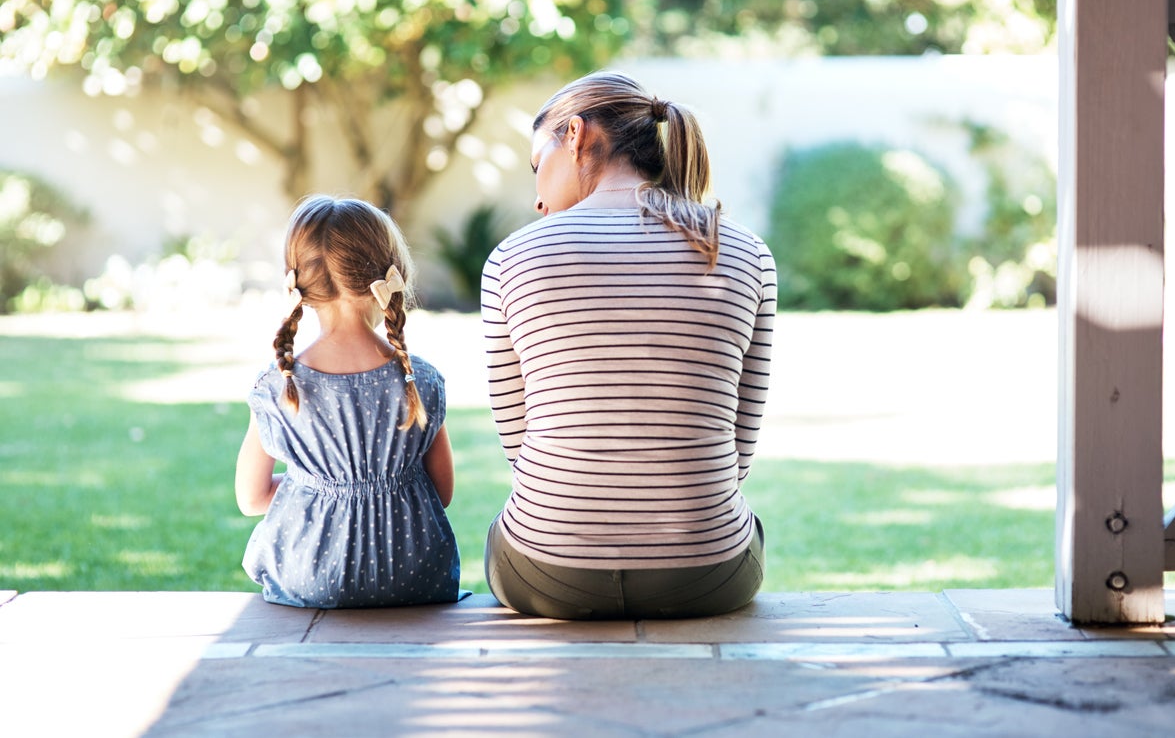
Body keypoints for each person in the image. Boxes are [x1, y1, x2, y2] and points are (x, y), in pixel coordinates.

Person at [480, 71, 776, 620]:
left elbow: (519, 446)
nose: (537, 197)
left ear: (574, 135)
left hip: (547, 573)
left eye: (535, 165)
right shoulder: (744, 251)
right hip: (707, 574)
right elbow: (739, 446)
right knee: (745, 525)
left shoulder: (512, 258)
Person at [235, 195, 462, 608]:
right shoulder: (421, 380)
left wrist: (318, 485)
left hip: (309, 577)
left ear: (298, 285)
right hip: (414, 576)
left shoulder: (278, 386)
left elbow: (251, 499)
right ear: (391, 276)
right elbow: (442, 491)